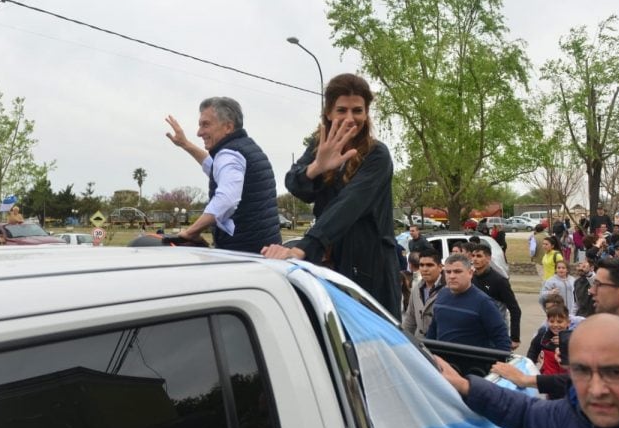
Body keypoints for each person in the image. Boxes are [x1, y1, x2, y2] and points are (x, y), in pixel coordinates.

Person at [261, 74, 400, 318]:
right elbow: (294, 183)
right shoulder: (320, 147)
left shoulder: (377, 155)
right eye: (341, 110)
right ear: (328, 113)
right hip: (331, 265)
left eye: (357, 110)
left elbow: (349, 205)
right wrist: (317, 167)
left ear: (366, 113)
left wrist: (305, 247)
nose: (349, 118)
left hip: (370, 270)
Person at [438, 313, 619, 428]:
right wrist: (466, 386)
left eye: (615, 372)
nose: (596, 390)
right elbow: (526, 413)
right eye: (582, 371)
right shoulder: (571, 415)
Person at [165, 97, 281, 253]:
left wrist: (190, 232)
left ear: (228, 127)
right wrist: (185, 144)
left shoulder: (229, 154)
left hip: (244, 256)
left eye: (205, 125)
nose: (199, 133)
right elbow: (214, 168)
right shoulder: (244, 148)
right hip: (266, 253)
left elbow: (226, 199)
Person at [426, 254, 511, 351]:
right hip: (442, 363)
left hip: (472, 364)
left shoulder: (484, 303)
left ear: (470, 273)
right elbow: (433, 331)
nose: (452, 276)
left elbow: (502, 341)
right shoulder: (441, 295)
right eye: (448, 272)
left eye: (457, 271)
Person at [470, 244, 521, 350]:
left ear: (488, 258)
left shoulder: (499, 281)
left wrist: (515, 337)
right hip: (475, 333)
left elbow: (515, 309)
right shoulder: (471, 278)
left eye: (479, 256)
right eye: (473, 256)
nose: (475, 259)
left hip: (496, 334)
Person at [401, 249, 444, 339]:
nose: (424, 269)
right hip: (420, 345)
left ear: (440, 267)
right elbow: (410, 319)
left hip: (440, 347)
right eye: (421, 265)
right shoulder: (416, 289)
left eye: (429, 265)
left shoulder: (449, 289)